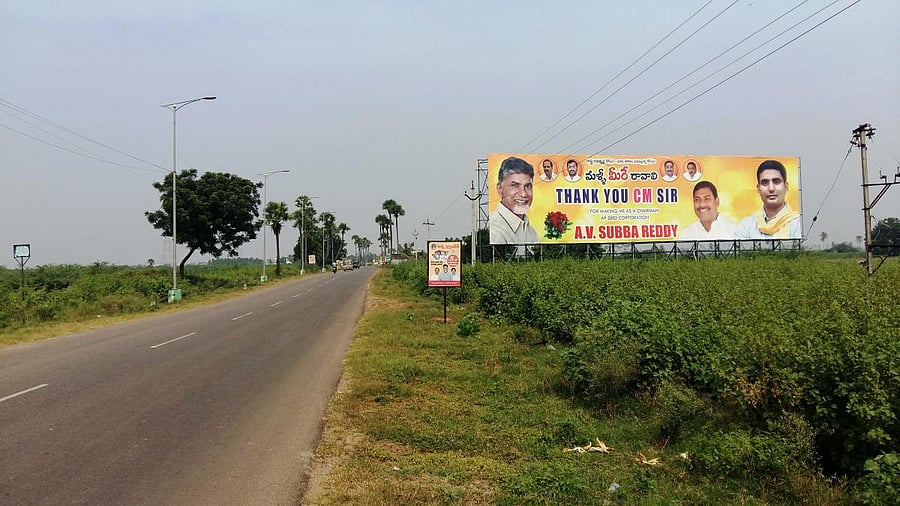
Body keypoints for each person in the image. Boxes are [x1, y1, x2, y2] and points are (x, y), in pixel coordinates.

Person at [735, 160, 802, 239]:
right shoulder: (746, 225)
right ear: (758, 189)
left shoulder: (799, 223)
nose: (771, 188)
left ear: (786, 187)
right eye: (765, 183)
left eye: (776, 182)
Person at [489, 156, 539, 244]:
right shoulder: (494, 230)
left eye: (527, 186)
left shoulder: (531, 231)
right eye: (515, 185)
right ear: (500, 189)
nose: (523, 194)